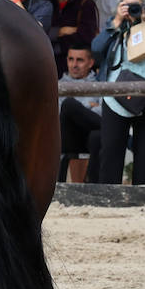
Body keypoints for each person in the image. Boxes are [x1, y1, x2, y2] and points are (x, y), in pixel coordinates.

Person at [91, 0, 145, 185]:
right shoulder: (115, 24)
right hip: (114, 94)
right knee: (110, 149)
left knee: (144, 151)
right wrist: (117, 22)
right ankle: (109, 196)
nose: (130, 9)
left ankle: (141, 197)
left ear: (144, 5)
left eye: (134, 5)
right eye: (126, 5)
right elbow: (96, 49)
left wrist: (144, 23)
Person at [42, 0, 100, 77]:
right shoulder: (44, 5)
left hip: (77, 71)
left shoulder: (85, 4)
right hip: (49, 68)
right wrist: (61, 31)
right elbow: (39, 33)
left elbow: (85, 37)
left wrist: (54, 43)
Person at [58, 40, 102, 182]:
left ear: (90, 63)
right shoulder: (57, 86)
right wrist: (89, 106)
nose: (74, 65)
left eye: (80, 60)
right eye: (71, 59)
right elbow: (57, 114)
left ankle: (93, 187)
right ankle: (115, 131)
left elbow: (102, 111)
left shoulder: (100, 85)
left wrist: (82, 110)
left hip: (90, 137)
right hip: (66, 138)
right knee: (69, 104)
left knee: (97, 136)